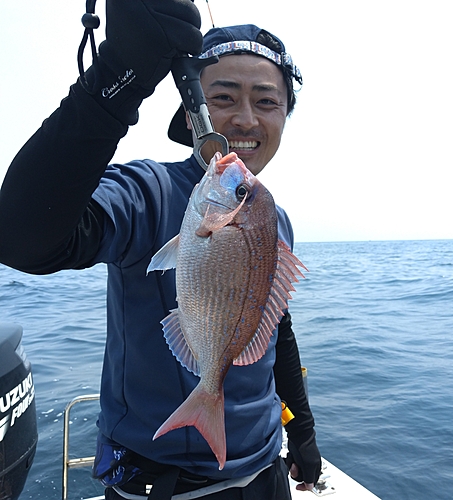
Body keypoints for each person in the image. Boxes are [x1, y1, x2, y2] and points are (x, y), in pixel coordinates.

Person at [0, 1, 321, 498]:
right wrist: (118, 74)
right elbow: (23, 238)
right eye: (223, 96)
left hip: (265, 472)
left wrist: (301, 432)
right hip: (161, 487)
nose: (244, 117)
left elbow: (274, 329)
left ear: (284, 116)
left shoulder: (272, 218)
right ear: (193, 114)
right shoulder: (145, 191)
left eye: (266, 101)